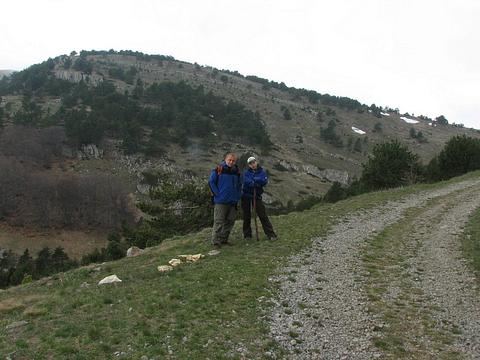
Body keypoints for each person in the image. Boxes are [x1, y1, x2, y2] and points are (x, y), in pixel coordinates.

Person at [209, 153, 242, 247]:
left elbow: (239, 185)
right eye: (229, 160)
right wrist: (217, 195)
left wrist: (238, 196)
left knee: (230, 221)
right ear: (225, 160)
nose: (231, 162)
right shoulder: (218, 169)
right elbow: (211, 182)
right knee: (219, 221)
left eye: (233, 160)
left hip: (232, 201)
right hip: (221, 201)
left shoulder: (236, 172)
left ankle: (224, 240)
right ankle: (215, 242)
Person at [241, 156, 277, 240]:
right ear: (248, 165)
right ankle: (247, 235)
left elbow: (264, 181)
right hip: (246, 196)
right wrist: (257, 181)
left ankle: (271, 234)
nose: (253, 164)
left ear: (256, 162)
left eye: (253, 162)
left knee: (262, 215)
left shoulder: (262, 171)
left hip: (256, 196)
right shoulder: (246, 172)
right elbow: (246, 182)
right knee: (246, 215)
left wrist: (254, 180)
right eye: (250, 163)